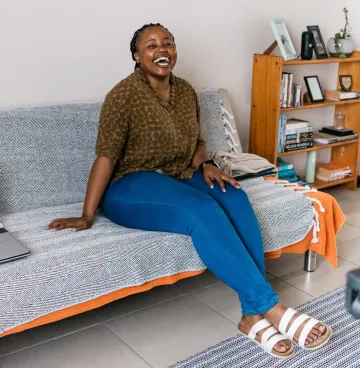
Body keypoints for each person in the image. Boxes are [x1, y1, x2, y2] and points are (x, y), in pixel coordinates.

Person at [47, 23, 331, 358]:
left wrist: (206, 164)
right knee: (200, 209)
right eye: (151, 45)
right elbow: (106, 156)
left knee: (234, 196)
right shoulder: (122, 96)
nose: (162, 50)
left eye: (168, 43)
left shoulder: (184, 91)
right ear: (137, 55)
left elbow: (196, 143)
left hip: (180, 174)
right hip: (131, 184)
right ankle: (271, 308)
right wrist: (86, 214)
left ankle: (251, 315)